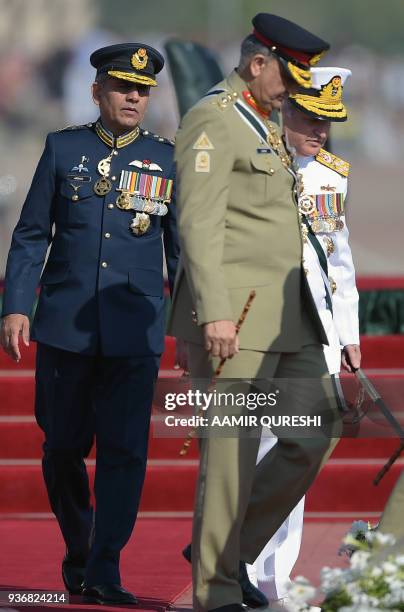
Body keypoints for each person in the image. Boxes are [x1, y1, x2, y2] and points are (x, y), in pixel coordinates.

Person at [169, 13, 341, 612]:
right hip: (236, 321)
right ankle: (215, 592)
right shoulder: (214, 120)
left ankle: (228, 549)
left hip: (290, 318)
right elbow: (199, 222)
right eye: (287, 77)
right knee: (230, 456)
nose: (293, 91)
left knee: (317, 429)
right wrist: (213, 313)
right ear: (257, 62)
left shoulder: (266, 122)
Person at [0, 43, 179, 605]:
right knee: (61, 448)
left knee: (125, 452)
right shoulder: (63, 148)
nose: (133, 97)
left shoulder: (166, 159)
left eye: (142, 90)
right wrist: (16, 305)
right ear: (97, 90)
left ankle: (104, 567)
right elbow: (32, 233)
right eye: (123, 86)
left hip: (135, 329)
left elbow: (183, 252)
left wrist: (196, 327)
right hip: (66, 329)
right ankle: (81, 545)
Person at [247, 66, 361, 610]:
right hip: (263, 329)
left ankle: (277, 579)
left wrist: (349, 332)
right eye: (311, 119)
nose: (320, 132)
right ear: (284, 111)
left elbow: (339, 259)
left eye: (328, 123)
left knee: (299, 458)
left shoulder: (333, 173)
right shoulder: (256, 165)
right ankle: (238, 566)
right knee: (263, 450)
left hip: (317, 332)